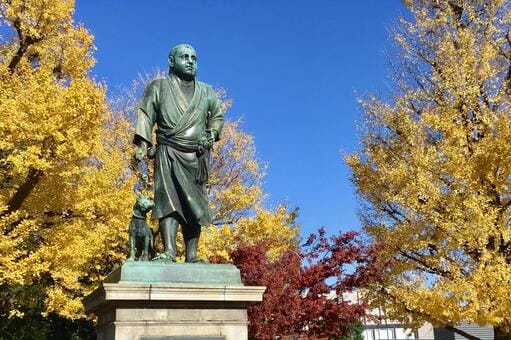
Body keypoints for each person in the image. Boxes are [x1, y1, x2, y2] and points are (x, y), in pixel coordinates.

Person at [133, 44, 224, 262]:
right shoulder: (158, 86)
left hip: (197, 155)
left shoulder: (206, 91)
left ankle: (192, 255)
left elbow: (217, 117)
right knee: (168, 202)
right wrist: (143, 145)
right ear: (172, 61)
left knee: (195, 205)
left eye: (194, 57)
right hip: (167, 151)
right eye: (184, 57)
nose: (190, 61)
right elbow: (146, 114)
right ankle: (169, 252)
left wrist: (212, 133)